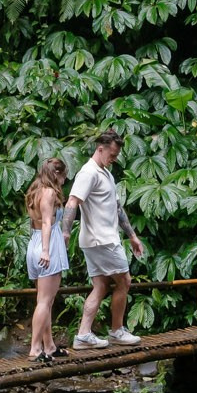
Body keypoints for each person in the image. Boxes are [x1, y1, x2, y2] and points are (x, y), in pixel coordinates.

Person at [62, 128, 145, 349]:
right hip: (102, 241)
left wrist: (133, 236)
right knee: (124, 281)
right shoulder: (88, 173)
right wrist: (65, 233)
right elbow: (72, 202)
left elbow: (117, 208)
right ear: (100, 149)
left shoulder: (105, 173)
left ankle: (82, 335)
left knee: (100, 286)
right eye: (112, 155)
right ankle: (117, 330)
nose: (114, 159)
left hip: (102, 240)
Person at [23, 157, 70, 362]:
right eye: (64, 177)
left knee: (45, 301)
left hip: (33, 243)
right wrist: (46, 250)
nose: (64, 182)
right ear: (57, 174)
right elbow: (47, 223)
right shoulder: (49, 192)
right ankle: (35, 348)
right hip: (47, 245)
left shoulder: (34, 191)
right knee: (45, 301)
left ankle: (49, 345)